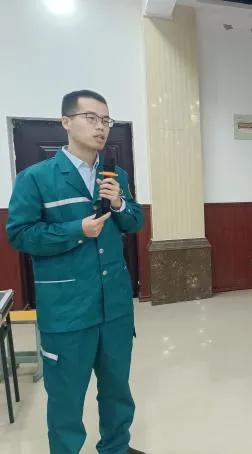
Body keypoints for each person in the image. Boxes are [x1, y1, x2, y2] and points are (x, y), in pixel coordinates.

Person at [6, 90, 145, 454]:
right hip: (67, 311)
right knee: (66, 400)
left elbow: (134, 222)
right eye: (91, 118)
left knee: (117, 390)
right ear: (66, 122)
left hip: (114, 308)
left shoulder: (115, 175)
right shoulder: (36, 178)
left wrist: (119, 202)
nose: (101, 127)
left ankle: (116, 447)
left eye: (106, 120)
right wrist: (76, 230)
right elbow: (20, 235)